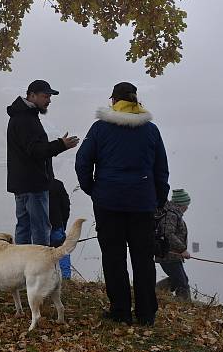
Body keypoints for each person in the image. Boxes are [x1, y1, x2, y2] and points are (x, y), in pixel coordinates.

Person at [75, 82, 169, 326]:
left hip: (109, 203)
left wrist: (92, 189)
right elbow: (161, 169)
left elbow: (82, 161)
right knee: (143, 259)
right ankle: (146, 313)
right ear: (136, 101)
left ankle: (120, 311)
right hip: (142, 203)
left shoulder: (100, 129)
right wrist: (158, 199)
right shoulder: (151, 130)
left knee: (114, 257)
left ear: (114, 101)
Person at [6, 79, 78, 246]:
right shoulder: (26, 119)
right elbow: (36, 151)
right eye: (46, 96)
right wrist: (61, 145)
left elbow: (32, 149)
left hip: (22, 183)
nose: (49, 100)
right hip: (34, 185)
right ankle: (41, 269)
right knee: (40, 228)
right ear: (32, 95)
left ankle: (22, 267)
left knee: (24, 226)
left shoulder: (21, 116)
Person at [155, 188, 192, 301]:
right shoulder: (172, 215)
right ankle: (184, 305)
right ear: (181, 204)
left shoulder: (173, 214)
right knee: (182, 284)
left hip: (171, 255)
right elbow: (168, 234)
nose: (187, 207)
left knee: (178, 279)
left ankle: (156, 292)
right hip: (169, 255)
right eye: (186, 204)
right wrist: (182, 249)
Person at [49, 177, 72, 280]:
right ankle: (66, 278)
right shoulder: (57, 184)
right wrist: (63, 224)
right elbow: (66, 206)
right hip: (56, 225)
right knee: (62, 250)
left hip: (36, 229)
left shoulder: (30, 185)